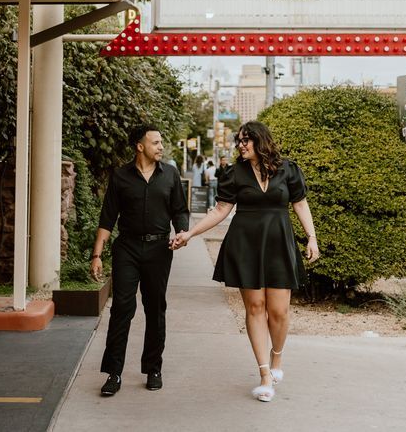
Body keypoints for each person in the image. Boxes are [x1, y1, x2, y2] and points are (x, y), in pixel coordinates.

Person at [171, 121, 319, 403]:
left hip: (278, 243)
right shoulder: (234, 173)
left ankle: (277, 359)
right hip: (246, 245)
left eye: (245, 140)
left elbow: (300, 203)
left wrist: (311, 238)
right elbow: (220, 210)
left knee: (279, 312)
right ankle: (264, 375)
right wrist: (189, 233)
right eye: (238, 140)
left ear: (260, 141)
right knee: (255, 307)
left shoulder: (288, 169)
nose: (240, 144)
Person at [90, 125, 189, 397]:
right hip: (128, 249)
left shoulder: (170, 174)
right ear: (140, 146)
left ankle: (153, 369)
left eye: (161, 142)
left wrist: (182, 233)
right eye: (155, 142)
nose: (160, 146)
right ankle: (114, 372)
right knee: (122, 307)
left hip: (159, 249)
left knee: (155, 308)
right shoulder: (121, 176)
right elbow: (108, 217)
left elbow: (179, 210)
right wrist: (97, 254)